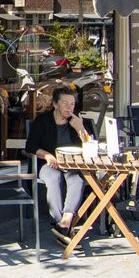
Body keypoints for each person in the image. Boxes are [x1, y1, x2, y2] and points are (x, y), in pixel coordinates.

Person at [25, 85, 93, 242]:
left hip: (71, 164)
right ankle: (59, 222)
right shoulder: (43, 121)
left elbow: (90, 147)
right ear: (55, 104)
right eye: (65, 103)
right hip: (47, 163)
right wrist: (47, 155)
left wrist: (80, 129)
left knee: (77, 179)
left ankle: (66, 221)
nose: (69, 107)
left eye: (72, 104)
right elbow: (30, 146)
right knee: (53, 178)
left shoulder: (75, 121)